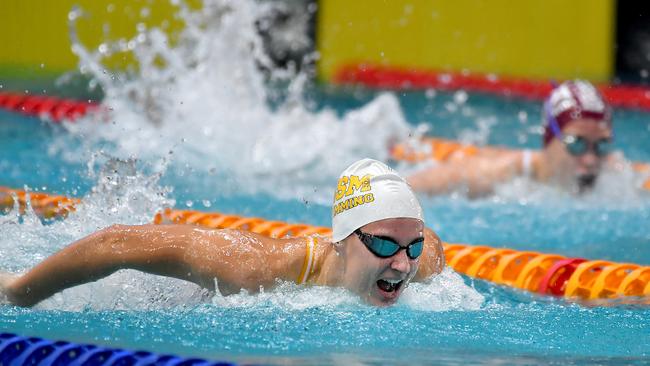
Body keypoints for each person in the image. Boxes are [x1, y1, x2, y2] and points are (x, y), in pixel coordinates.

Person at [0, 159, 445, 307]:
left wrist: (407, 242)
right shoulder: (254, 267)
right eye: (385, 244)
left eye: (412, 244)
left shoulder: (425, 260)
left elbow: (428, 247)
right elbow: (117, 243)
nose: (403, 263)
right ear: (343, 241)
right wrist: (21, 291)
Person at [407, 80, 619, 196]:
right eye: (577, 144)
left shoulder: (616, 175)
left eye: (601, 146)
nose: (590, 159)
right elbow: (409, 187)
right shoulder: (498, 174)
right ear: (549, 139)